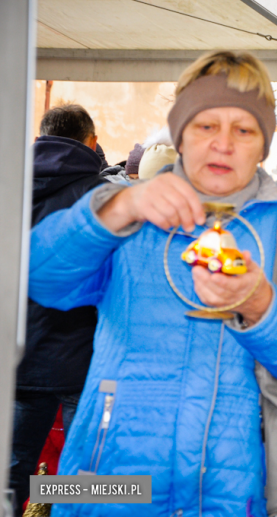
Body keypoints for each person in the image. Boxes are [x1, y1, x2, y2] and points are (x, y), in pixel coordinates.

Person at [27, 50, 277, 517]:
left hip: (236, 492)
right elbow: (39, 281)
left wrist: (259, 304)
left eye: (244, 129)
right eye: (205, 126)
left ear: (264, 144)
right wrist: (118, 209)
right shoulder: (125, 206)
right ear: (179, 134)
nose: (223, 144)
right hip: (108, 481)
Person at [10, 104, 106, 517]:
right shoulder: (102, 197)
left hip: (20, 353)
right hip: (83, 356)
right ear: (92, 142)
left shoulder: (9, 184)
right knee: (95, 476)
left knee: (12, 470)